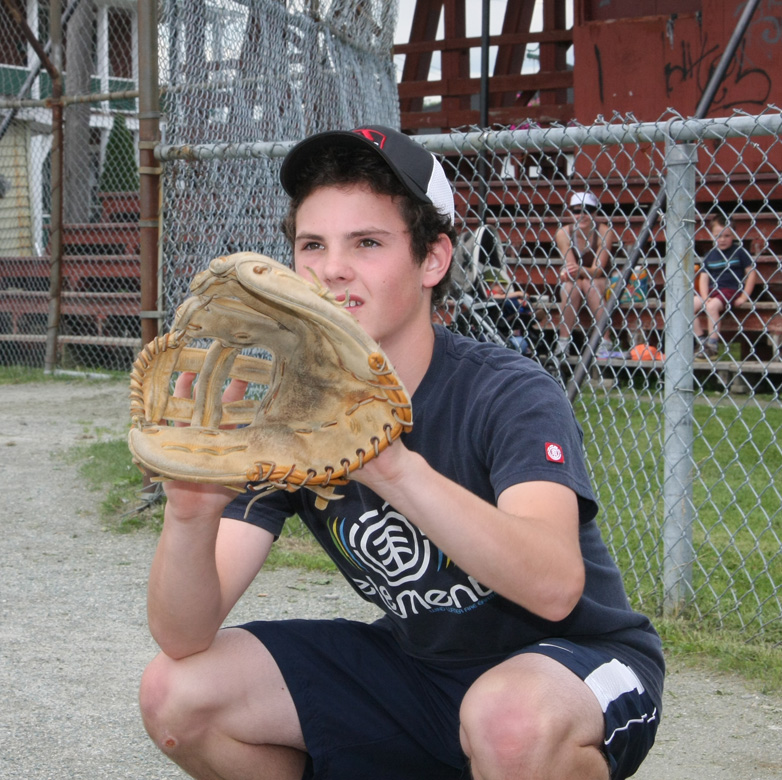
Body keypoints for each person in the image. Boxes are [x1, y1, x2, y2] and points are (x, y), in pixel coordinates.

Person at [138, 125, 664, 780]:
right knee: (177, 696)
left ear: (433, 261)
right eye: (312, 245)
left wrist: (390, 465)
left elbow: (555, 587)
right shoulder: (291, 410)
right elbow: (183, 635)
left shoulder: (506, 391)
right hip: (422, 669)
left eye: (367, 242)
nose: (332, 268)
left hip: (571, 663)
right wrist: (190, 513)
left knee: (508, 724)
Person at [554, 191, 619, 361]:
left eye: (588, 210)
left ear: (595, 213)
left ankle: (605, 342)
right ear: (570, 213)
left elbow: (598, 270)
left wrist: (579, 271)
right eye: (577, 211)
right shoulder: (563, 233)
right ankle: (563, 342)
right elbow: (572, 270)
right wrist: (577, 272)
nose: (582, 215)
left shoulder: (604, 231)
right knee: (572, 286)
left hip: (600, 279)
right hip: (576, 281)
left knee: (590, 284)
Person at [694, 214, 757, 359]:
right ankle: (702, 341)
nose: (722, 239)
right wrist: (705, 297)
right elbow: (704, 278)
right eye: (718, 236)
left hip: (730, 290)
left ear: (733, 235)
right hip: (712, 291)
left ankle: (713, 344)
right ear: (711, 235)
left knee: (711, 307)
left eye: (727, 235)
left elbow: (751, 274)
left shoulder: (739, 252)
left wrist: (744, 296)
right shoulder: (710, 255)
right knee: (688, 306)